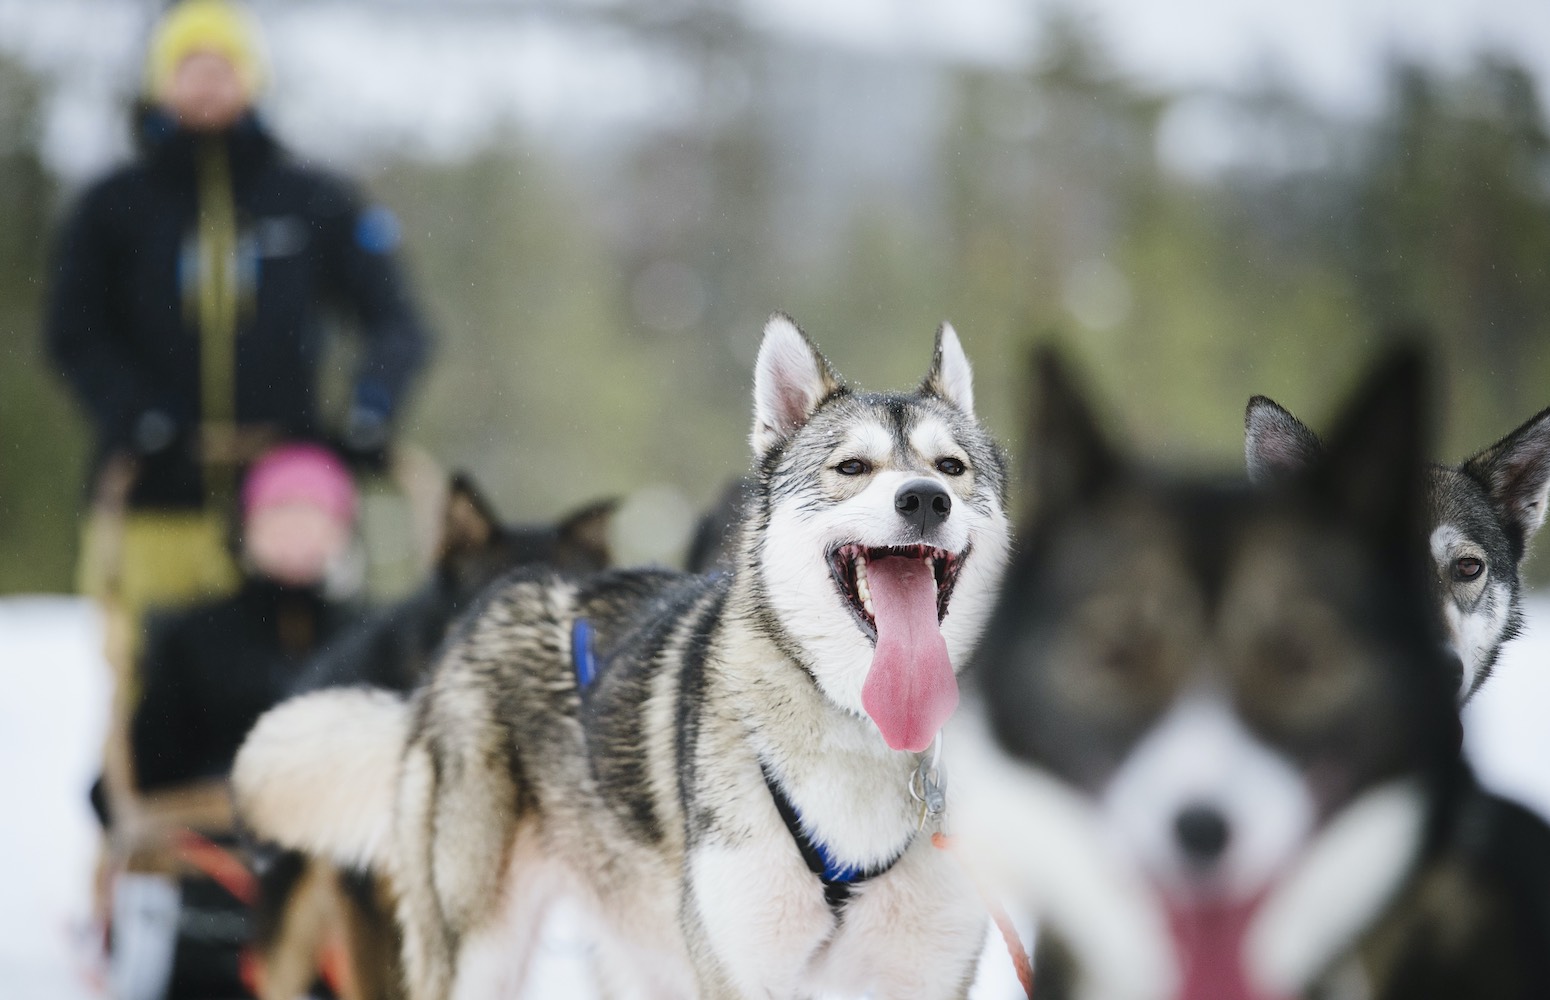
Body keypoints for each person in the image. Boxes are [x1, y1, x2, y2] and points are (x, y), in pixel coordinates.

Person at [43, 0, 430, 837]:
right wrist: (138, 416)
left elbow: (395, 321)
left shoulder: (312, 198)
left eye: (224, 65)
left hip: (292, 492)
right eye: (191, 65)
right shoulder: (116, 206)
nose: (208, 82)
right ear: (163, 81)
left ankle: (312, 844)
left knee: (306, 676)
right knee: (156, 675)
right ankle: (144, 848)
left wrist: (368, 411)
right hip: (159, 489)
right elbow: (71, 332)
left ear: (251, 78)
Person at [110, 443, 363, 1000]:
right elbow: (140, 772)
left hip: (340, 893)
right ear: (246, 528)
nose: (299, 532)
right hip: (214, 885)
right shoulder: (192, 637)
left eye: (316, 515)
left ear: (344, 531)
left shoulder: (375, 637)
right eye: (282, 514)